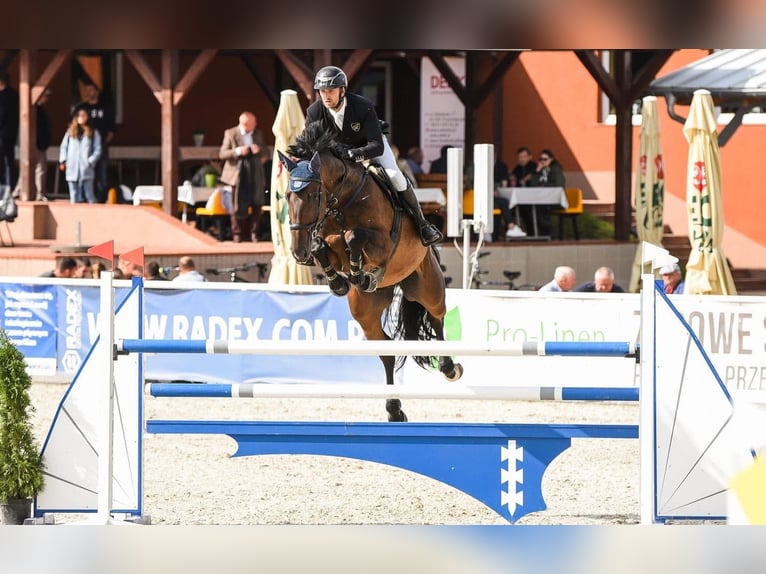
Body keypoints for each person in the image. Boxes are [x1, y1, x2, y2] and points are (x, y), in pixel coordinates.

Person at [304, 66, 442, 246]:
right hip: (338, 155)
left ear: (342, 90)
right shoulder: (314, 112)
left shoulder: (362, 106)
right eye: (322, 91)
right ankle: (311, 235)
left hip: (368, 147)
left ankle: (422, 224)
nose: (326, 96)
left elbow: (376, 145)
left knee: (395, 177)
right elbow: (310, 145)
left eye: (330, 91)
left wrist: (355, 154)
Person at [218, 111, 266, 243]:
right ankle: (237, 234)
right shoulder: (231, 133)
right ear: (245, 124)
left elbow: (266, 152)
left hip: (255, 172)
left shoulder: (258, 133)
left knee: (257, 203)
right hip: (237, 173)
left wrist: (259, 150)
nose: (256, 124)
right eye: (253, 122)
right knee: (236, 205)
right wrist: (238, 151)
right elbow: (222, 153)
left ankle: (255, 234)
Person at [72, 83, 116, 203]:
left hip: (100, 145)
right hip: (83, 147)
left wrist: (103, 142)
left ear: (97, 92)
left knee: (102, 173)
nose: (88, 92)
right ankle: (83, 198)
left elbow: (111, 128)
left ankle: (101, 198)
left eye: (91, 90)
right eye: (86, 90)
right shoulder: (81, 108)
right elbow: (73, 127)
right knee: (83, 173)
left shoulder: (105, 108)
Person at [13, 88, 51, 201]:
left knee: (27, 168)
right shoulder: (35, 110)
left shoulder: (35, 109)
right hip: (35, 143)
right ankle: (39, 193)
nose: (46, 98)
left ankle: (18, 190)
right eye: (45, 96)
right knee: (39, 168)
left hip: (35, 143)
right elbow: (38, 128)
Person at [58, 108, 102, 203]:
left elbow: (97, 149)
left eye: (83, 115)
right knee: (74, 195)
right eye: (79, 115)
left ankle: (92, 215)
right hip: (72, 167)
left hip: (86, 168)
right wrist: (63, 160)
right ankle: (74, 216)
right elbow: (64, 147)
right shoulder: (70, 132)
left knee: (89, 194)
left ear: (87, 117)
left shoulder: (93, 132)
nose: (81, 117)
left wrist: (90, 161)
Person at [529, 148, 566, 237]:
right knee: (530, 208)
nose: (542, 162)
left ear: (551, 159)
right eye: (540, 159)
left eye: (545, 159)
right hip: (542, 199)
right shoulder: (541, 170)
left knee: (540, 208)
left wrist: (543, 186)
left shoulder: (555, 169)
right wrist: (537, 171)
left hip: (555, 199)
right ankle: (537, 234)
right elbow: (532, 185)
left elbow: (558, 185)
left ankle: (549, 234)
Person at [0, 71, 19, 191]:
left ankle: (7, 188)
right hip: (7, 134)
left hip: (4, 136)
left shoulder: (8, 96)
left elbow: (5, 116)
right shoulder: (13, 95)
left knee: (6, 162)